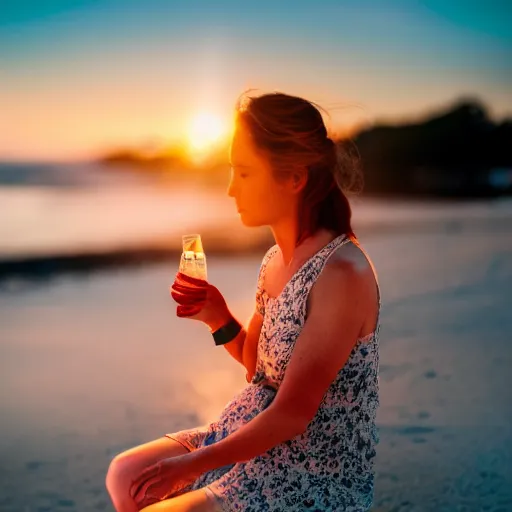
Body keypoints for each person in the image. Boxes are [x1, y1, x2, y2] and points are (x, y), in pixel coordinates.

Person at [106, 91, 381, 512]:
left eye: (245, 173)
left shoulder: (341, 275)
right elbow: (259, 371)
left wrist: (190, 464)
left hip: (311, 471)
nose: (232, 189)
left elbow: (293, 413)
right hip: (250, 429)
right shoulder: (275, 260)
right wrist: (217, 316)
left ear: (294, 178)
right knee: (126, 476)